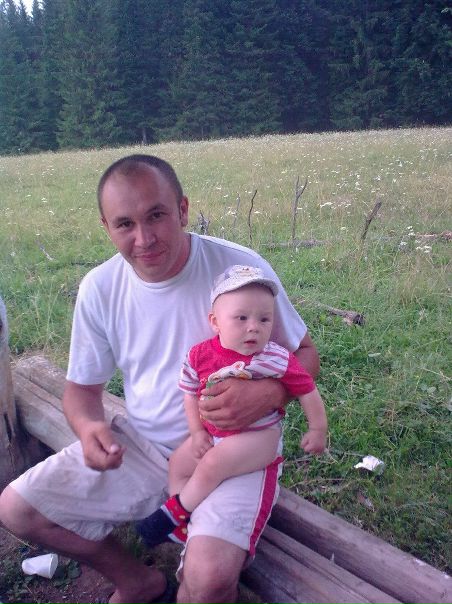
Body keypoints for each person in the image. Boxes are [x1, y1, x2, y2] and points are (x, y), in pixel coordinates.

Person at [0, 154, 320, 604]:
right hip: (143, 444)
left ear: (183, 210)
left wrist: (271, 392)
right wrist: (89, 429)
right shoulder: (100, 288)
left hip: (234, 450)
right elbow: (82, 392)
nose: (144, 238)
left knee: (208, 582)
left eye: (156, 216)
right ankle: (137, 582)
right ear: (106, 227)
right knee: (18, 509)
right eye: (125, 224)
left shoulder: (238, 269)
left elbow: (306, 354)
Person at [137, 265, 327, 548]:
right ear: (215, 322)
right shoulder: (199, 355)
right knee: (179, 463)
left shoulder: (275, 358)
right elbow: (189, 394)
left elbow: (307, 389)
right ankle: (185, 522)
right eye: (241, 318)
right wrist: (197, 432)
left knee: (212, 463)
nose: (254, 327)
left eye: (264, 319)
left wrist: (318, 428)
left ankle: (174, 512)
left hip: (258, 438)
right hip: (214, 434)